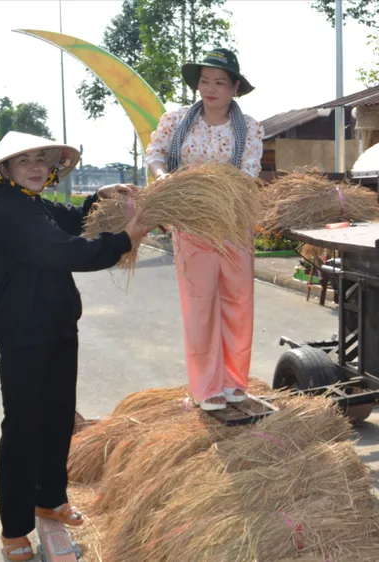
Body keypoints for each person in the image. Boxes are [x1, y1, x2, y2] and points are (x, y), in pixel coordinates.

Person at [0, 131, 152, 561]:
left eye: (41, 159)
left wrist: (99, 197)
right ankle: (14, 530)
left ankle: (49, 498)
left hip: (55, 328)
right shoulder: (7, 212)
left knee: (54, 420)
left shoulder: (33, 204)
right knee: (21, 431)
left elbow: (71, 221)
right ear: (5, 171)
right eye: (24, 161)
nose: (35, 166)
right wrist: (126, 238)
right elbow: (65, 250)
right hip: (23, 335)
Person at [145, 47, 264, 411]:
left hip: (232, 223)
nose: (210, 88)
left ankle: (233, 381)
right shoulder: (175, 120)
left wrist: (218, 197)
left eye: (220, 82)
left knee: (238, 302)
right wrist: (165, 181)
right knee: (200, 306)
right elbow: (155, 155)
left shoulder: (250, 129)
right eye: (204, 81)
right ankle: (206, 385)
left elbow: (249, 172)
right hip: (191, 223)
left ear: (235, 87)